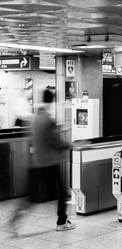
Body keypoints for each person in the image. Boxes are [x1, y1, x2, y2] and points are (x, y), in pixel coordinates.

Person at [9, 89, 75, 234]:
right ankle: (62, 221)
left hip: (35, 162)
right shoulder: (48, 119)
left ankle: (14, 219)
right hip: (50, 162)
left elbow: (37, 138)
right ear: (52, 101)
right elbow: (55, 141)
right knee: (62, 192)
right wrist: (70, 145)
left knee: (31, 196)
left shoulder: (33, 118)